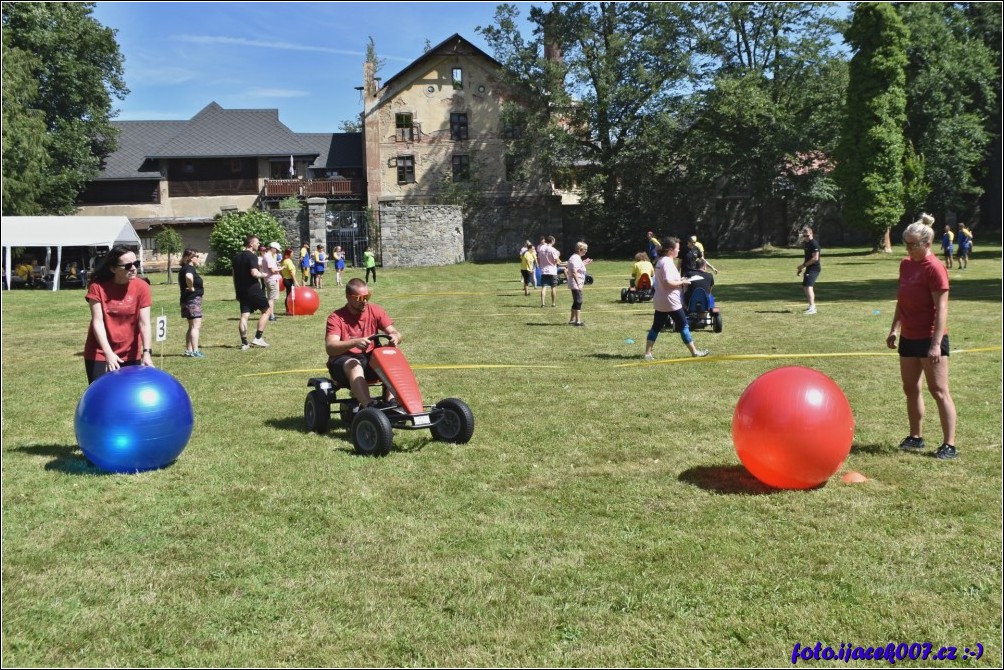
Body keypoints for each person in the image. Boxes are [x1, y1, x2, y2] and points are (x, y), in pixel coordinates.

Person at [886, 213, 957, 460]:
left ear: (927, 244)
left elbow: (942, 308)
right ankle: (916, 437)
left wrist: (936, 344)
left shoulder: (935, 268)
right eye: (906, 244)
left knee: (938, 390)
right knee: (910, 388)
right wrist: (894, 328)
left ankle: (949, 444)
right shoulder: (906, 264)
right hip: (909, 336)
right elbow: (902, 299)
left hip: (930, 338)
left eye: (913, 244)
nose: (908, 249)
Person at [325, 278, 402, 410]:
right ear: (349, 297)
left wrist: (395, 337)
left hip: (369, 360)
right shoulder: (336, 318)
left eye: (367, 296)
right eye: (361, 298)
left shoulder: (375, 310)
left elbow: (395, 332)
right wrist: (354, 342)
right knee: (354, 364)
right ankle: (369, 406)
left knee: (391, 357)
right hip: (343, 363)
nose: (365, 301)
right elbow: (330, 347)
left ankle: (391, 401)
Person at [83, 246, 153, 383]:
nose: (133, 268)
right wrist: (108, 353)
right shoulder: (97, 287)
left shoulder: (142, 287)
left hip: (131, 353)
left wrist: (147, 353)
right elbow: (98, 322)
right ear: (113, 268)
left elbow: (144, 323)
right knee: (102, 397)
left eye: (136, 263)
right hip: (100, 352)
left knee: (130, 398)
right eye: (127, 266)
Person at [643, 238, 709, 360]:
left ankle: (647, 353)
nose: (679, 250)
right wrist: (682, 282)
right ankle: (694, 352)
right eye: (677, 248)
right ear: (670, 250)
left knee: (656, 326)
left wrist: (680, 281)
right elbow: (668, 282)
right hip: (671, 301)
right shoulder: (667, 262)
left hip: (660, 300)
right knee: (684, 325)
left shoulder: (660, 261)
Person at [232, 235, 272, 350]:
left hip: (241, 290)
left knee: (244, 316)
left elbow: (234, 276)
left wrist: (236, 292)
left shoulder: (236, 257)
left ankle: (244, 343)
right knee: (267, 311)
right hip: (253, 289)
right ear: (250, 244)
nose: (258, 245)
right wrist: (263, 275)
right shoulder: (252, 256)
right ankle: (258, 338)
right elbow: (254, 273)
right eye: (257, 243)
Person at [178, 247, 205, 358]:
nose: (198, 258)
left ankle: (189, 350)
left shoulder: (184, 268)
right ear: (190, 258)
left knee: (191, 326)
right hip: (192, 300)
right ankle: (195, 351)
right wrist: (191, 287)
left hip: (186, 300)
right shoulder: (189, 268)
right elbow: (189, 277)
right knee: (195, 326)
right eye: (197, 256)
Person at [796, 226, 821, 315]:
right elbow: (807, 258)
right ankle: (811, 306)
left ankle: (813, 308)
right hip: (809, 267)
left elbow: (815, 258)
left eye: (807, 235)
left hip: (814, 268)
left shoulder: (814, 244)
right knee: (804, 286)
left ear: (811, 234)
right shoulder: (807, 244)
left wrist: (803, 266)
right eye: (804, 236)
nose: (806, 237)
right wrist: (802, 268)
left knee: (809, 286)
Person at [566, 241, 592, 326]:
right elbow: (574, 272)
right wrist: (578, 284)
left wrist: (584, 263)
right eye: (585, 249)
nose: (586, 251)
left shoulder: (577, 258)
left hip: (577, 283)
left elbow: (577, 268)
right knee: (578, 301)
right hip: (576, 283)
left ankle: (572, 320)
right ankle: (577, 321)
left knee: (576, 301)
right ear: (580, 249)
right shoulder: (575, 258)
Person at [537, 235, 563, 308]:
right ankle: (553, 303)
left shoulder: (541, 248)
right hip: (552, 270)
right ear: (552, 241)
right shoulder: (552, 249)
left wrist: (541, 266)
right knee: (553, 287)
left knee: (544, 287)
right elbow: (556, 260)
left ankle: (543, 303)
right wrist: (559, 262)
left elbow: (538, 259)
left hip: (544, 271)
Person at [261, 242, 283, 321]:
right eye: (276, 250)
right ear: (272, 248)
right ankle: (271, 315)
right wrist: (280, 269)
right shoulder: (269, 257)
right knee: (271, 299)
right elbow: (272, 270)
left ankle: (269, 314)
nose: (276, 251)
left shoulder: (266, 256)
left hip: (268, 279)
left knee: (270, 298)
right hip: (272, 279)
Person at [279, 247, 299, 312]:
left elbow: (280, 271)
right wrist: (295, 281)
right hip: (289, 280)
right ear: (289, 254)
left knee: (288, 294)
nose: (293, 254)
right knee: (290, 295)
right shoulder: (288, 261)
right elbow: (291, 272)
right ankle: (289, 309)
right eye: (292, 253)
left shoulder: (283, 261)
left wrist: (283, 277)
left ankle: (288, 309)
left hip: (286, 279)